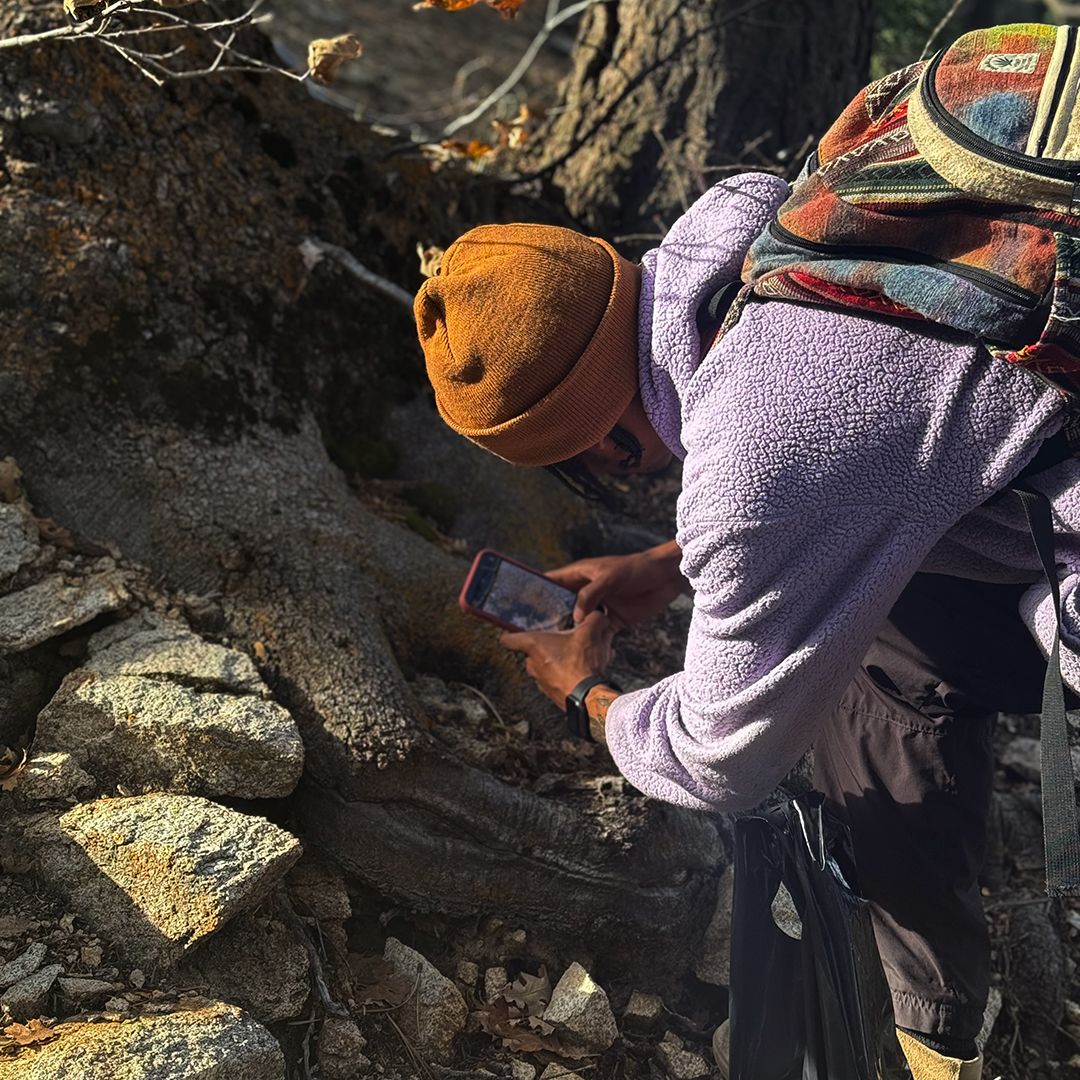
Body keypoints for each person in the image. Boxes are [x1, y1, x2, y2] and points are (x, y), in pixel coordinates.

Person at [413, 115, 1080, 1079]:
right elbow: (877, 441)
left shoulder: (751, 458)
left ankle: (935, 1039)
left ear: (607, 445)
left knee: (865, 670)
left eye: (572, 470)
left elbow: (725, 762)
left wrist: (587, 695)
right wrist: (670, 563)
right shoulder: (763, 225)